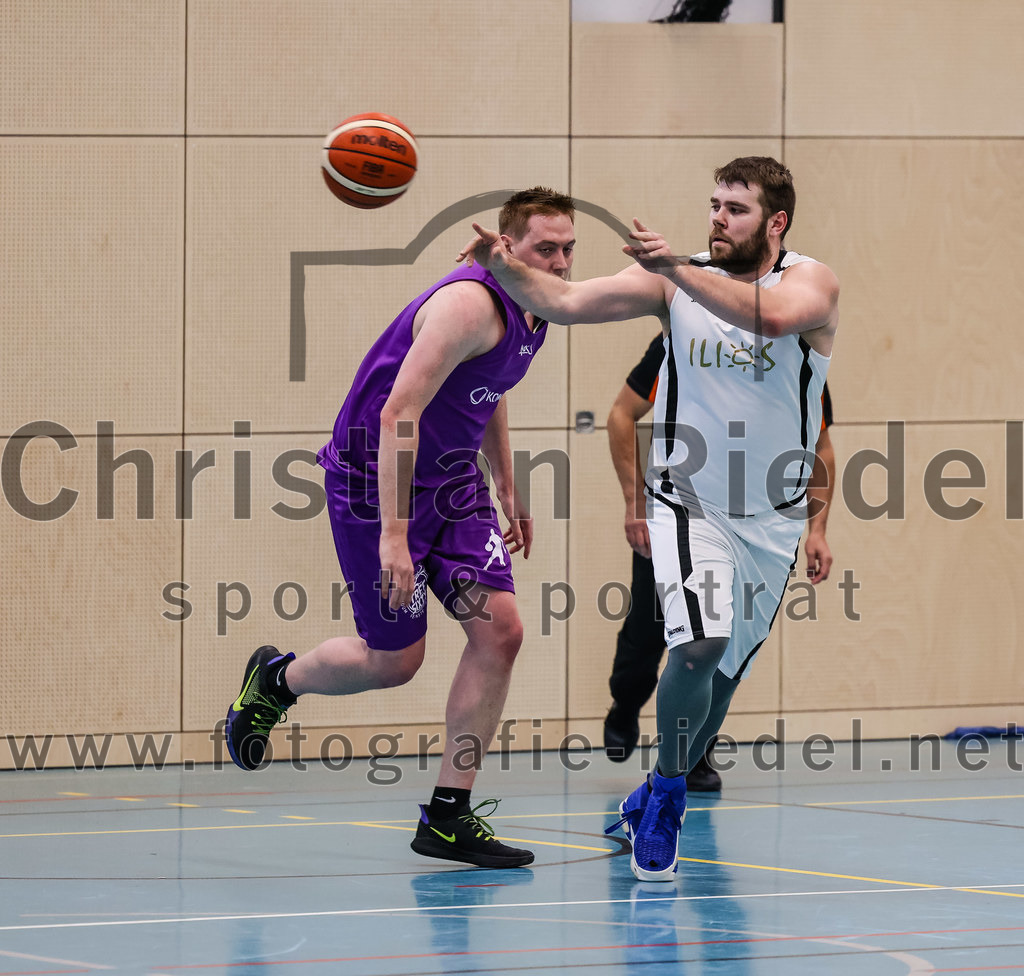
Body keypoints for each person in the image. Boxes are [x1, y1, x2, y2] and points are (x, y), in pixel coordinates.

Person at [458, 156, 840, 881]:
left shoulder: (810, 283)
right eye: (714, 205)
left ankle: (666, 775)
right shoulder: (676, 278)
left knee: (718, 684)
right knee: (698, 644)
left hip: (774, 515)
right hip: (687, 497)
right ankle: (667, 797)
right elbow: (567, 300)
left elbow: (771, 316)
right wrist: (501, 268)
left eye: (737, 208)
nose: (719, 219)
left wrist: (677, 270)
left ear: (776, 221)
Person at [224, 187, 578, 869]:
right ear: (507, 247)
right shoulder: (468, 305)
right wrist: (394, 535)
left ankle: (448, 817)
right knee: (396, 661)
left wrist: (506, 483)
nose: (560, 263)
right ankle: (278, 680)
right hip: (375, 486)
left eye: (567, 249)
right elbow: (397, 414)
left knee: (500, 630)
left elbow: (489, 386)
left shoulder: (534, 307)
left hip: (452, 486)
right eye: (545, 248)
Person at [602, 335, 837, 793]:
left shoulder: (797, 353)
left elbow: (822, 448)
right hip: (681, 513)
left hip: (755, 526)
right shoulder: (684, 336)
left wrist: (818, 531)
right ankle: (625, 703)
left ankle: (692, 757)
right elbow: (620, 415)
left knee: (720, 643)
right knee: (651, 632)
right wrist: (634, 503)